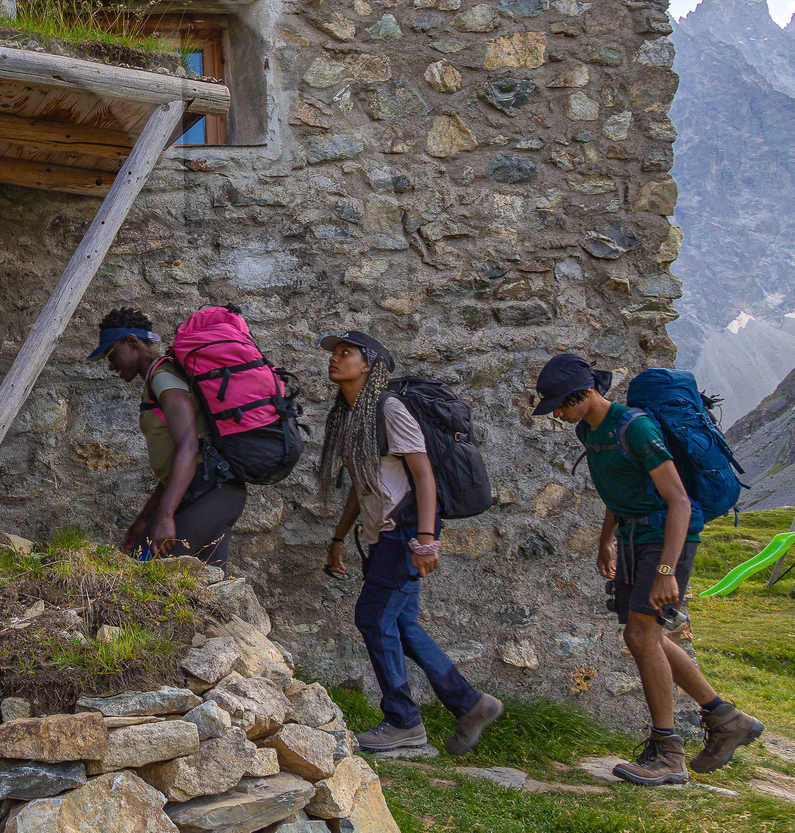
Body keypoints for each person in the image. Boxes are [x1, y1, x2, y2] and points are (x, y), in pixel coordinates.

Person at [534, 354, 764, 785]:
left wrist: (666, 570)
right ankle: (727, 718)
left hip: (665, 537)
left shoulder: (635, 427)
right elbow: (617, 486)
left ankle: (668, 752)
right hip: (633, 537)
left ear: (585, 393)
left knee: (640, 635)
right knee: (647, 636)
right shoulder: (590, 428)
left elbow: (678, 499)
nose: (559, 416)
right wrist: (605, 539)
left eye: (561, 406)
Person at [317, 330, 503, 756]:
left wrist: (426, 540)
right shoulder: (352, 415)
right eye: (335, 353)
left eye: (346, 353)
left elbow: (423, 476)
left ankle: (404, 722)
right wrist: (339, 538)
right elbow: (363, 484)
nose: (335, 359)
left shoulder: (389, 409)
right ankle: (470, 704)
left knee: (372, 617)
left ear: (369, 365)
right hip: (383, 535)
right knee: (402, 623)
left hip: (404, 533)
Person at [91, 307, 248, 566]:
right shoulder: (159, 379)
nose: (110, 365)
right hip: (215, 492)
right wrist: (144, 520)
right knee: (202, 592)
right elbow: (176, 467)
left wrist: (164, 517)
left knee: (144, 573)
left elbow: (189, 446)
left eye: (111, 353)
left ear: (132, 341)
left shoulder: (163, 377)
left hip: (211, 492)